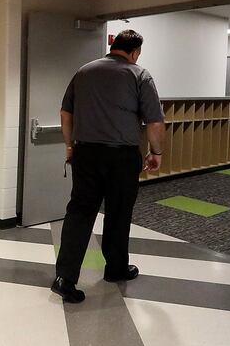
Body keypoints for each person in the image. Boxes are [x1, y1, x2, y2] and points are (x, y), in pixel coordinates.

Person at [50, 29, 165, 304]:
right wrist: (156, 152)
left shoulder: (84, 72)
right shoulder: (139, 74)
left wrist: (70, 147)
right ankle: (115, 268)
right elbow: (155, 122)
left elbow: (66, 113)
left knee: (79, 212)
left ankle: (65, 278)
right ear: (135, 52)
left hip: (85, 153)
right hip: (121, 157)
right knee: (118, 213)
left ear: (114, 47)